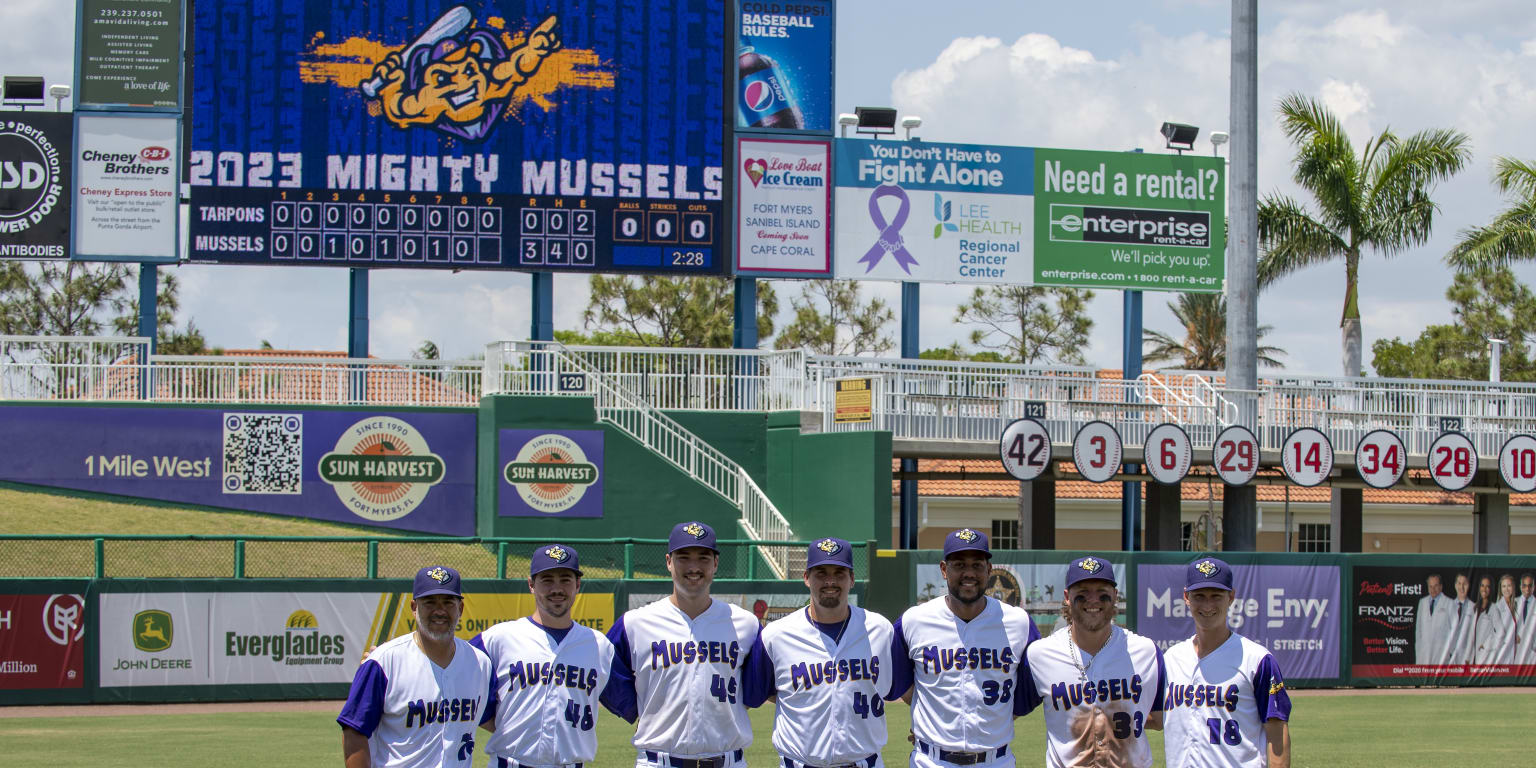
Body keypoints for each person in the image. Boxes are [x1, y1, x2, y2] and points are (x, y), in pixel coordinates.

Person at [602, 521, 760, 768]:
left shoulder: (745, 624)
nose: (694, 567)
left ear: (716, 563)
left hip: (727, 761)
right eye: (683, 557)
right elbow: (603, 668)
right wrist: (635, 710)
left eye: (704, 558)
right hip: (658, 761)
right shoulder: (636, 623)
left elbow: (758, 686)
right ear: (668, 562)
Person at [890, 528, 1040, 768]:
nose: (969, 573)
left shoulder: (1017, 622)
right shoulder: (914, 620)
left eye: (977, 565)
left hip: (995, 761)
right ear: (943, 569)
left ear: (989, 570)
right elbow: (899, 682)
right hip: (931, 760)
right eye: (959, 565)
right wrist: (932, 713)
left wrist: (995, 719)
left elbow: (1029, 692)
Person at [744, 537, 895, 768]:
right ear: (806, 578)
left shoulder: (880, 630)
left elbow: (904, 686)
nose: (830, 581)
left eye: (839, 573)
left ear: (852, 579)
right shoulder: (777, 635)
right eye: (821, 573)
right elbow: (760, 694)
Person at [471, 544, 617, 768]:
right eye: (547, 580)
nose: (556, 588)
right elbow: (460, 678)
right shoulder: (500, 638)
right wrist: (500, 721)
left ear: (577, 585)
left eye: (565, 579)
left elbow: (630, 696)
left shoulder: (599, 646)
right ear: (531, 585)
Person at [338, 565, 497, 768]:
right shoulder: (384, 661)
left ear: (461, 609)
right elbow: (354, 732)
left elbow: (493, 718)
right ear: (414, 608)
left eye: (448, 602)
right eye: (430, 602)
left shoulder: (480, 663)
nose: (439, 611)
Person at [1017, 555, 1165, 768]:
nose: (1093, 600)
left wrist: (1114, 719)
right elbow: (1009, 713)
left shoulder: (1146, 652)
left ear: (1115, 595)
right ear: (1067, 596)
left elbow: (1159, 719)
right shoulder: (1040, 655)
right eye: (1083, 592)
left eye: (1102, 592)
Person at [1160, 557, 1291, 768]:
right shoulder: (1171, 659)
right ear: (1186, 597)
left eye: (1216, 596)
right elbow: (1154, 717)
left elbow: (1277, 734)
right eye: (1199, 596)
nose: (1208, 605)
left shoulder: (1257, 659)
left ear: (1231, 597)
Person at [1413, 573, 1453, 665]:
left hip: (1441, 656)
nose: (1433, 589)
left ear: (1441, 586)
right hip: (1423, 656)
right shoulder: (1422, 602)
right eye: (1430, 586)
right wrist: (1418, 654)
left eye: (1435, 586)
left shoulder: (1449, 603)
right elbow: (1418, 631)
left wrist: (1449, 653)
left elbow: (1453, 631)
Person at [1442, 572, 1476, 665]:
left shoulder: (1474, 608)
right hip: (1449, 657)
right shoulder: (1448, 607)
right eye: (1459, 584)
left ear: (1468, 585)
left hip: (1466, 657)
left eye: (1464, 584)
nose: (1462, 587)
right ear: (1455, 585)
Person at [1472, 575, 1499, 665]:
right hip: (1471, 655)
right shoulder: (1474, 607)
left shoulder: (1494, 608)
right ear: (1479, 587)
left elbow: (1501, 633)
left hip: (1484, 655)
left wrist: (1486, 645)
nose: (1484, 589)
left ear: (1491, 589)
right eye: (1482, 585)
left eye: (1488, 586)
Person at [1515, 574, 1536, 665]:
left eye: (1530, 585)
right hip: (1516, 651)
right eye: (1524, 585)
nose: (1527, 589)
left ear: (1534, 587)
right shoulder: (1513, 603)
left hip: (1533, 652)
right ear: (1520, 587)